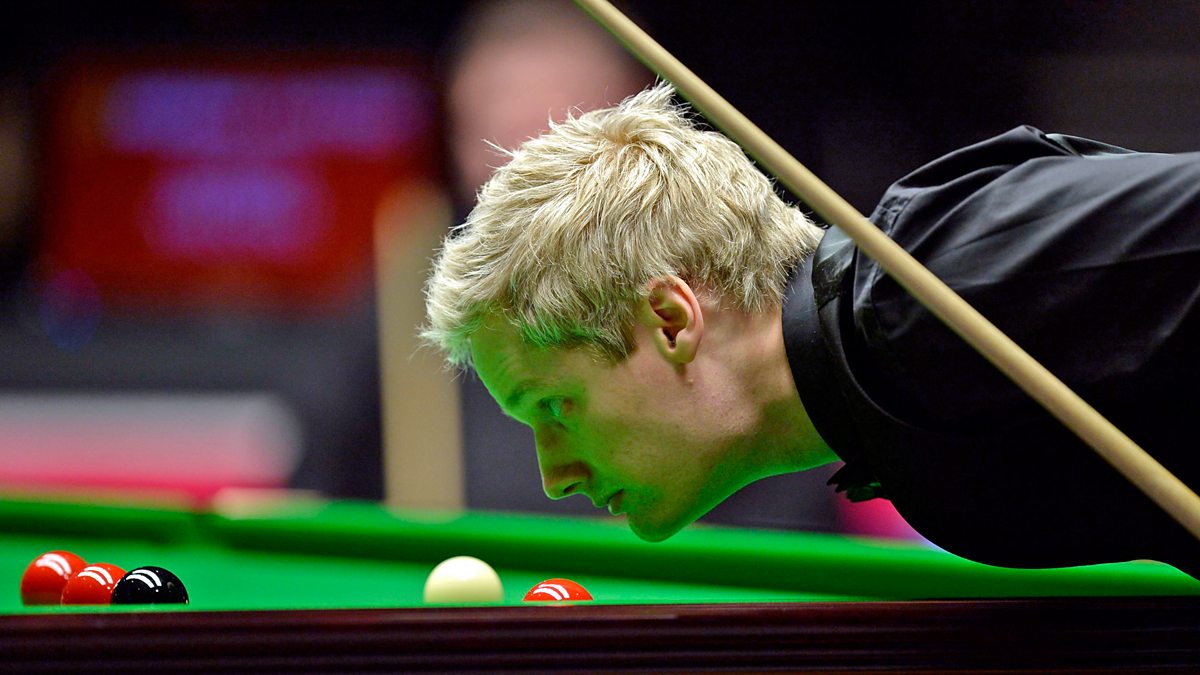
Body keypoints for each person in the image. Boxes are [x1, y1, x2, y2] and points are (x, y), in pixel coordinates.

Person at [422, 83, 1200, 577]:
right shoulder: (883, 385)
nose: (554, 475)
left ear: (670, 320)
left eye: (554, 406)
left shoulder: (940, 285)